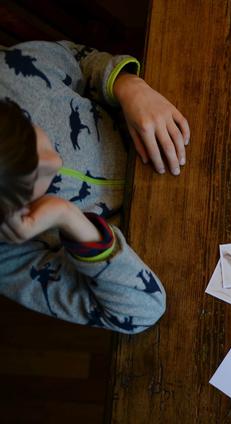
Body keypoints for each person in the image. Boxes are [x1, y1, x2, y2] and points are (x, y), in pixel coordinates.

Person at [0, 40, 190, 334]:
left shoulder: (10, 77)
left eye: (34, 136)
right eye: (36, 182)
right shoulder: (8, 256)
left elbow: (76, 59)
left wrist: (127, 85)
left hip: (172, 132)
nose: (54, 160)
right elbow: (141, 310)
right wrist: (70, 218)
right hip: (164, 246)